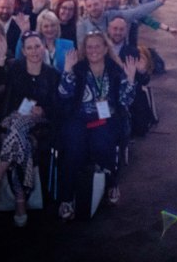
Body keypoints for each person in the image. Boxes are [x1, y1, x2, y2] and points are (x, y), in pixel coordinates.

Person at [0, 31, 61, 227]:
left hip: (39, 126)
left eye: (37, 46)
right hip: (11, 121)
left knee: (17, 130)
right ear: (23, 51)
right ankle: (20, 200)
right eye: (29, 47)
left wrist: (43, 111)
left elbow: (58, 106)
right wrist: (0, 57)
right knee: (19, 135)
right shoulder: (14, 67)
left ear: (43, 48)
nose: (34, 51)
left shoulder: (52, 74)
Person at [56, 32, 139, 221]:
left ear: (105, 48)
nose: (93, 50)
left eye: (97, 46)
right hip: (79, 118)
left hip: (106, 118)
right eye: (89, 47)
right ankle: (67, 199)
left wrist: (131, 80)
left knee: (102, 145)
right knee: (73, 152)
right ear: (85, 50)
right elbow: (63, 95)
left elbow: (125, 101)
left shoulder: (116, 70)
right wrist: (67, 71)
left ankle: (111, 183)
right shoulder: (78, 69)